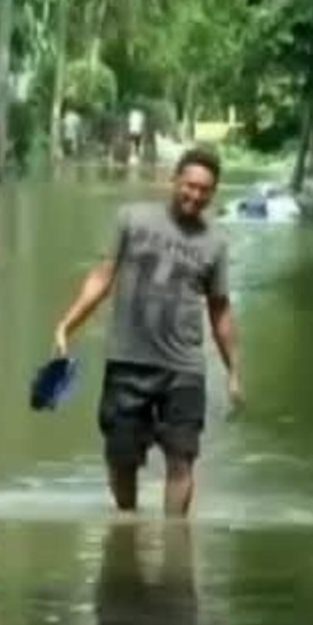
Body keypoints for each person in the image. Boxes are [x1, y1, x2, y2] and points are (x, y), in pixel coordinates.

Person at [53, 147, 241, 517]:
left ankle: (175, 540)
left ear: (213, 193)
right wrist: (67, 324)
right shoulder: (132, 219)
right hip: (128, 358)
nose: (195, 195)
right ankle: (127, 524)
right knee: (121, 458)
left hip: (184, 366)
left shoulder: (215, 244)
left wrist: (234, 370)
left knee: (182, 458)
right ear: (175, 181)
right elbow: (103, 277)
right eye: (190, 186)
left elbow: (220, 309)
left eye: (205, 190)